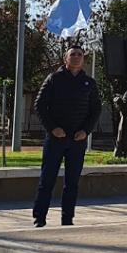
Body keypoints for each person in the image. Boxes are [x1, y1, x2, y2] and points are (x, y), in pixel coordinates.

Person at [32, 46, 102, 228]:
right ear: (66, 58)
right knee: (47, 180)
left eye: (80, 54)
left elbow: (96, 110)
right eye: (73, 54)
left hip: (77, 141)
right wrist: (52, 128)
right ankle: (39, 218)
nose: (77, 57)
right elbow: (39, 105)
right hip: (55, 139)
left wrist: (86, 131)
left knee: (72, 183)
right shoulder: (54, 79)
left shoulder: (89, 83)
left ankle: (67, 219)